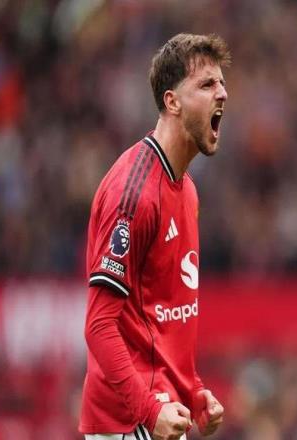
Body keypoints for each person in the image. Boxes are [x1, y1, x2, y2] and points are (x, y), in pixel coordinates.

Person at [79, 33, 230, 440]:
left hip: (160, 411)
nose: (222, 93)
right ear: (172, 101)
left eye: (221, 83)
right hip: (129, 423)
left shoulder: (186, 190)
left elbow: (165, 316)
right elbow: (99, 326)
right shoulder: (134, 195)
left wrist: (193, 390)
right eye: (206, 84)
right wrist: (148, 410)